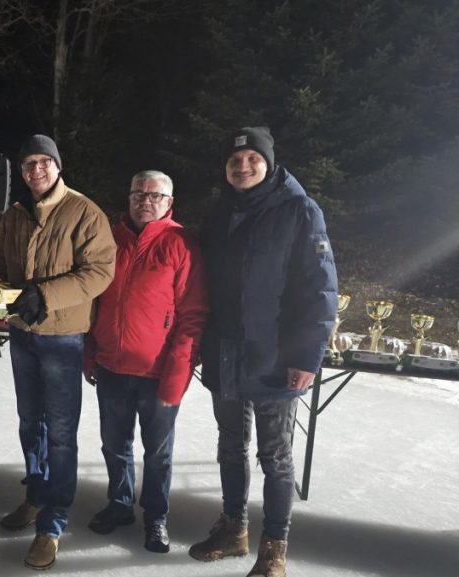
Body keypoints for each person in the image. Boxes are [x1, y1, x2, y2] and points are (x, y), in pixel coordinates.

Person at [189, 127, 337, 577]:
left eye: (253, 158)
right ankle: (233, 529)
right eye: (235, 160)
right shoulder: (220, 213)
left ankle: (274, 547)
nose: (243, 166)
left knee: (274, 455)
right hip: (225, 352)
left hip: (276, 356)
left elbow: (321, 290)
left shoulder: (299, 210)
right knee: (230, 446)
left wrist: (307, 357)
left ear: (269, 164)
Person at [0, 134, 116, 570]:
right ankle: (36, 495)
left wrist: (44, 295)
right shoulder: (14, 214)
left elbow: (100, 271)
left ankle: (53, 522)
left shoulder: (84, 211)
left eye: (44, 162)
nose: (36, 170)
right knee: (30, 422)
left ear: (58, 166)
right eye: (28, 164)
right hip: (22, 334)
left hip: (62, 336)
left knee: (60, 432)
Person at [83, 170, 208, 554]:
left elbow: (192, 314)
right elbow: (91, 299)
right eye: (138, 193)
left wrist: (179, 371)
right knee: (114, 445)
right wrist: (91, 351)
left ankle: (155, 516)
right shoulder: (109, 238)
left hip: (159, 371)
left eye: (155, 195)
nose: (145, 201)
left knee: (158, 453)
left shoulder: (180, 243)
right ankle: (119, 504)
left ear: (169, 202)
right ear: (129, 197)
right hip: (112, 366)